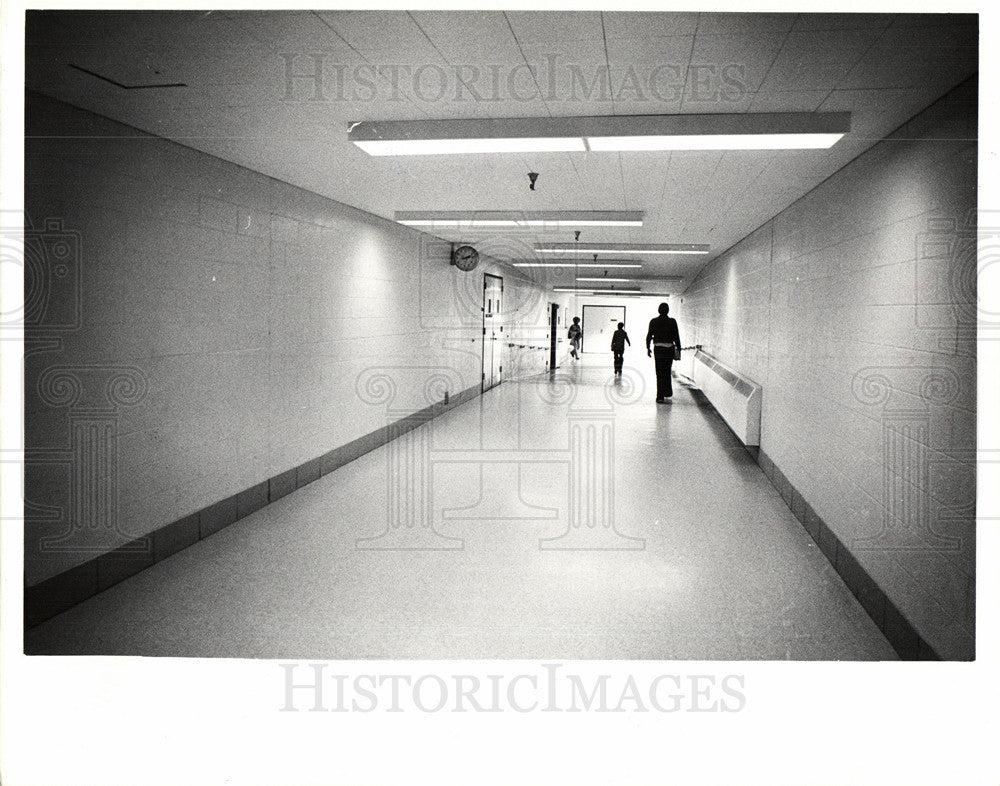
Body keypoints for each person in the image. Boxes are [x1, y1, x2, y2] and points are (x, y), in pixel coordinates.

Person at [646, 302, 681, 403]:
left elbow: (649, 336)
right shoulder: (672, 321)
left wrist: (648, 348)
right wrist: (679, 348)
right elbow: (676, 336)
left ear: (659, 310)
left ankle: (660, 396)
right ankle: (667, 391)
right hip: (669, 349)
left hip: (658, 349)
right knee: (667, 371)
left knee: (659, 372)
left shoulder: (654, 321)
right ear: (668, 311)